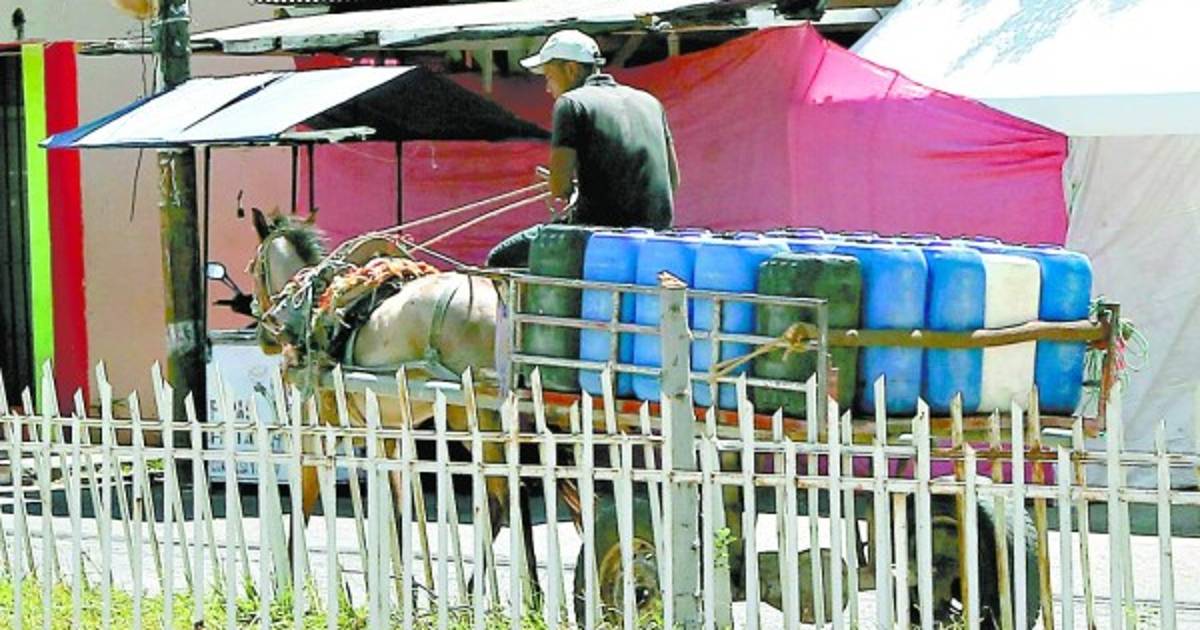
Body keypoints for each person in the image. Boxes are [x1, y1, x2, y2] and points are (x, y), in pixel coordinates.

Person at [485, 29, 680, 267]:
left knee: (500, 258)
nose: (548, 88)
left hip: (596, 235)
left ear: (571, 69)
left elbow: (560, 188)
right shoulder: (650, 102)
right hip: (657, 234)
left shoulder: (571, 103)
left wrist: (558, 182)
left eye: (549, 76)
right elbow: (673, 180)